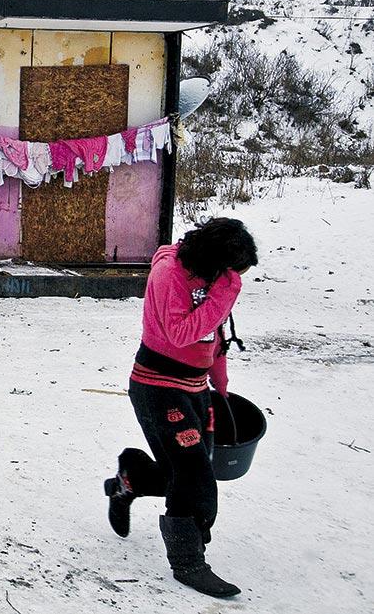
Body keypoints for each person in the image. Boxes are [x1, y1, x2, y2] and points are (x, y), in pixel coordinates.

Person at [103, 217, 258, 598]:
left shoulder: (213, 279)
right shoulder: (169, 274)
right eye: (230, 270)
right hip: (157, 387)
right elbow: (180, 332)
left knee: (192, 470)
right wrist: (226, 292)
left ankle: (131, 479)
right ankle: (188, 563)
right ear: (215, 260)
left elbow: (212, 332)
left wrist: (219, 380)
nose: (232, 278)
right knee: (194, 476)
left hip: (194, 386)